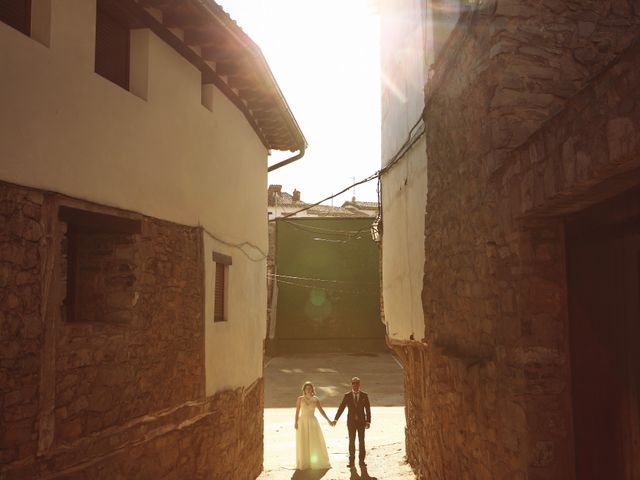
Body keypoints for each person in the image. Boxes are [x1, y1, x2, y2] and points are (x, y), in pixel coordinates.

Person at [333, 376, 371, 467]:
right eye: (353, 383)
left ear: (359, 384)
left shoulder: (364, 395)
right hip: (351, 422)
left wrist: (368, 421)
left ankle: (362, 461)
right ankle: (351, 461)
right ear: (351, 384)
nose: (355, 385)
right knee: (351, 441)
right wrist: (336, 419)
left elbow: (368, 409)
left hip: (362, 422)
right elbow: (341, 407)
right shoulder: (347, 396)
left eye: (357, 383)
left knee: (361, 441)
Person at [295, 381, 332, 470]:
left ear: (312, 389)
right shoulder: (300, 399)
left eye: (310, 388)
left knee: (313, 441)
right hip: (302, 422)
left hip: (312, 422)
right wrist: (295, 422)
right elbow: (297, 411)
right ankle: (304, 462)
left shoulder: (316, 399)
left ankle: (314, 462)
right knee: (303, 441)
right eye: (306, 388)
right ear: (304, 389)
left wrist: (329, 420)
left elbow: (321, 411)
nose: (308, 389)